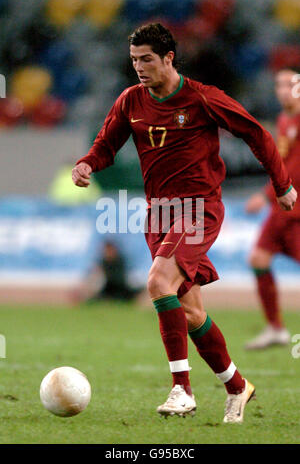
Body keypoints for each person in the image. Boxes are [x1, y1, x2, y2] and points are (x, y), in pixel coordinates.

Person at [72, 23, 297, 423]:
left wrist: (282, 186)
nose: (139, 67)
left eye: (147, 59)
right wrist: (88, 162)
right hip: (157, 214)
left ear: (169, 58)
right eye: (134, 60)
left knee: (158, 282)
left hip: (198, 209)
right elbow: (107, 144)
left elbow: (257, 134)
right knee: (190, 312)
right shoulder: (130, 101)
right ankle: (237, 386)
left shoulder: (202, 99)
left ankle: (182, 390)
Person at [245, 67, 300, 350]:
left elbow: (295, 167)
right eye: (278, 84)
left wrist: (266, 195)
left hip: (295, 209)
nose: (282, 90)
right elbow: (283, 164)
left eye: (289, 84)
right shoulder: (283, 119)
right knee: (258, 259)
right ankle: (276, 328)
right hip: (283, 208)